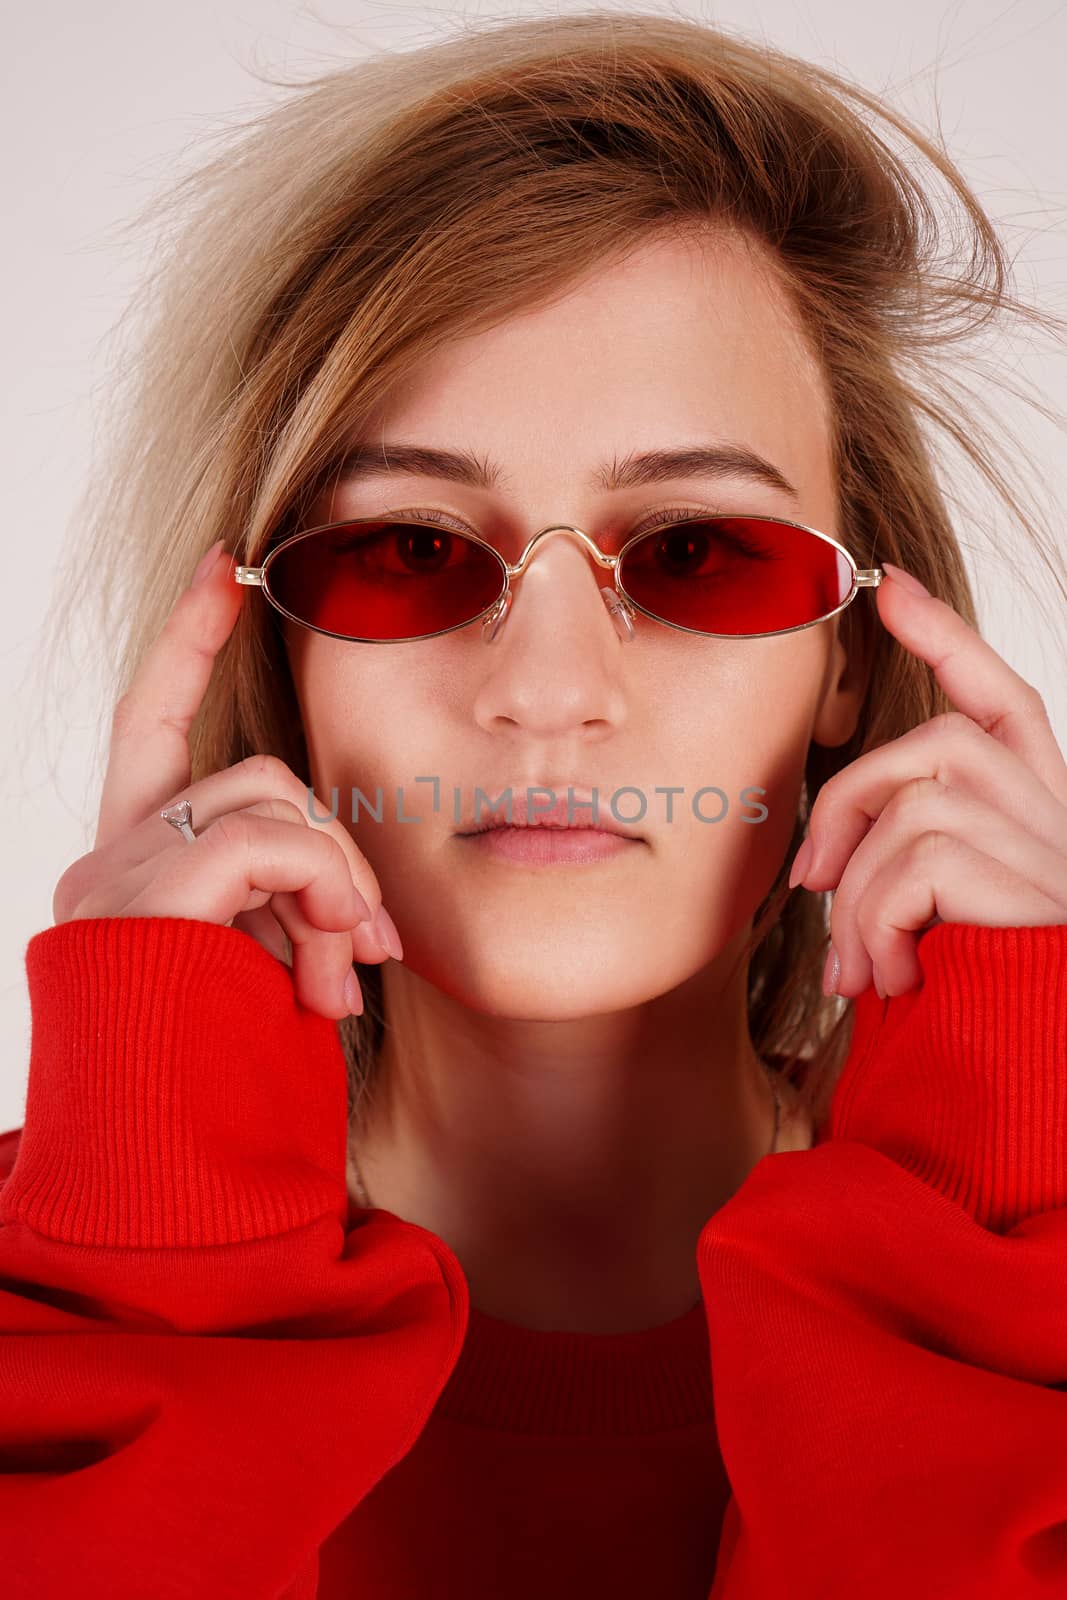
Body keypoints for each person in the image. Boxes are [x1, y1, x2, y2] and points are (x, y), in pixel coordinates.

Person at [2, 10, 1066, 1598]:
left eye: (698, 551)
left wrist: (998, 1263)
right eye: (413, 550)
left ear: (853, 660)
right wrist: (153, 1286)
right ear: (273, 656)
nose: (547, 689)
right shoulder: (57, 1316)